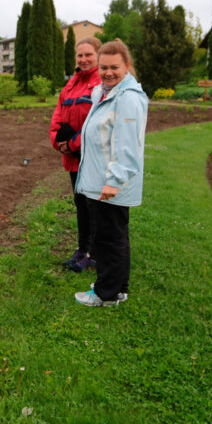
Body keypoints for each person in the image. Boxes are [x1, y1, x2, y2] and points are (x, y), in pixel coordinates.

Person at [72, 40, 149, 307]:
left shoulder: (126, 99)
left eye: (114, 67)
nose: (108, 72)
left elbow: (127, 146)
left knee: (107, 239)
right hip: (101, 180)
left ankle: (106, 294)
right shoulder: (105, 92)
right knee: (114, 236)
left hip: (109, 183)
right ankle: (118, 287)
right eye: (103, 67)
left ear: (126, 66)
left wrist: (114, 182)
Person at [50, 36, 102, 272]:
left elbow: (100, 124)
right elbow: (57, 117)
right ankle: (83, 249)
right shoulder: (70, 84)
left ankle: (94, 253)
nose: (83, 59)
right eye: (79, 55)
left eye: (88, 54)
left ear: (98, 55)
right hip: (72, 159)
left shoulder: (103, 83)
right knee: (81, 205)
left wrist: (71, 144)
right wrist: (57, 141)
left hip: (92, 158)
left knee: (95, 207)